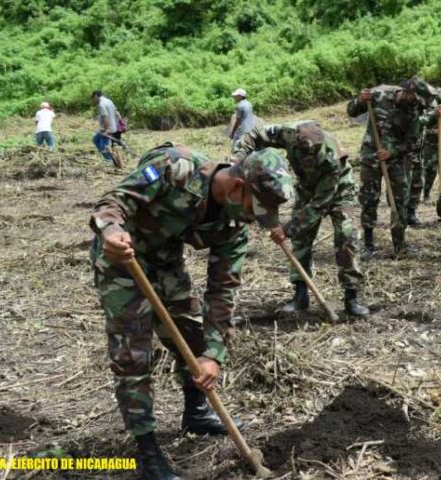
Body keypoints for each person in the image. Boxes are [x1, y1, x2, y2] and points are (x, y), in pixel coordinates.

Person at [90, 143, 293, 480]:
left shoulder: (233, 228)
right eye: (253, 210)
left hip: (165, 262)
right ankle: (148, 451)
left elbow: (222, 290)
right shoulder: (175, 168)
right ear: (237, 187)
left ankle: (196, 413)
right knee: (133, 354)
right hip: (121, 262)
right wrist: (110, 230)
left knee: (194, 335)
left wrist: (213, 356)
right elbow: (113, 201)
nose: (252, 221)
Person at [232, 121, 370, 316]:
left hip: (338, 192)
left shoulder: (332, 159)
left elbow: (319, 205)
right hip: (307, 189)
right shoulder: (288, 133)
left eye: (311, 154)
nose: (306, 157)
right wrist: (237, 159)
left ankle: (351, 297)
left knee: (346, 238)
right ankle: (300, 296)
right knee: (301, 241)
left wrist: (287, 229)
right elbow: (254, 134)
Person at [346, 78, 441, 258]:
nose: (417, 104)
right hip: (371, 155)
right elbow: (352, 110)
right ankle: (368, 244)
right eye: (415, 99)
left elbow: (412, 143)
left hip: (397, 160)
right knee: (369, 198)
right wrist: (360, 100)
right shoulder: (379, 94)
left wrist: (392, 152)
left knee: (400, 202)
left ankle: (399, 246)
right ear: (407, 92)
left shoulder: (415, 112)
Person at [405, 82, 441, 225]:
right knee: (429, 171)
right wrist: (434, 122)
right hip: (427, 145)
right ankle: (423, 196)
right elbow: (420, 124)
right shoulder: (425, 105)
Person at [91, 90, 119, 163]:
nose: (93, 100)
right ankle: (105, 155)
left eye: (93, 98)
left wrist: (107, 130)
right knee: (95, 139)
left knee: (104, 145)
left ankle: (108, 160)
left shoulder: (101, 104)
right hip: (111, 127)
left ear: (96, 96)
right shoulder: (109, 101)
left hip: (106, 129)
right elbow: (116, 112)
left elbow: (105, 117)